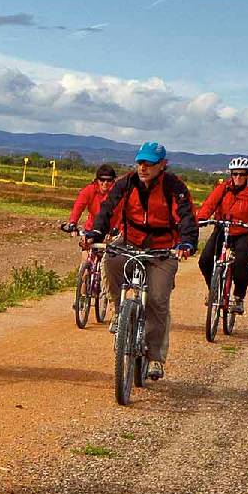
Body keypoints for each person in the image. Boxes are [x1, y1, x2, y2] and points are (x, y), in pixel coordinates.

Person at [86, 141, 196, 381]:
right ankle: (118, 310)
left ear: (162, 165)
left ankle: (155, 356)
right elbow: (107, 208)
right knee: (111, 259)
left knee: (157, 299)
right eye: (140, 162)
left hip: (163, 248)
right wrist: (95, 233)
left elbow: (186, 215)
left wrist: (187, 242)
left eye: (150, 163)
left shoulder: (174, 187)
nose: (143, 168)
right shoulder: (126, 183)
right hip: (131, 240)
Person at [195, 156, 248, 314]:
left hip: (244, 231)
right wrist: (201, 218)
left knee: (239, 263)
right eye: (235, 174)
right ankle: (213, 291)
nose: (238, 177)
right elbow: (210, 203)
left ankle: (239, 298)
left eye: (241, 174)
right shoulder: (224, 188)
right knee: (205, 260)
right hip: (223, 228)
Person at [61, 163, 119, 297]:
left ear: (113, 181)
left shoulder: (117, 193)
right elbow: (78, 206)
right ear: (96, 180)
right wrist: (72, 224)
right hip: (92, 228)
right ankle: (81, 299)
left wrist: (116, 230)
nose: (105, 183)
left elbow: (123, 213)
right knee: (86, 261)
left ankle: (109, 297)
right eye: (102, 180)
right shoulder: (89, 190)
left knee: (109, 265)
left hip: (111, 230)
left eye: (109, 180)